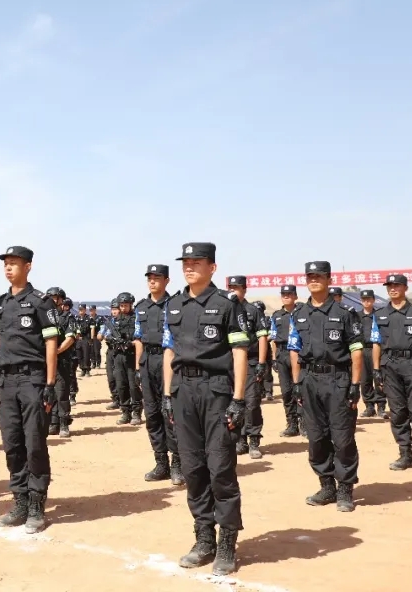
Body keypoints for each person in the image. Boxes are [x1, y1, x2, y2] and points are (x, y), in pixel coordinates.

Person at [162, 242, 248, 576]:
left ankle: (227, 542)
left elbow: (239, 352)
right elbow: (169, 351)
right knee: (193, 469)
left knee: (220, 468)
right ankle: (204, 539)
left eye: (197, 262)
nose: (189, 267)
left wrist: (238, 400)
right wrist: (167, 394)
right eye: (186, 262)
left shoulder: (226, 304)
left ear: (212, 268)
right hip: (182, 391)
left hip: (216, 392)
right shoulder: (174, 304)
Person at [0, 245, 60, 533]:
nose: (8, 268)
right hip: (7, 382)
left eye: (14, 263)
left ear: (28, 267)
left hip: (33, 380)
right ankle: (20, 501)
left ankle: (37, 504)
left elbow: (51, 343)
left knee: (34, 442)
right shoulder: (0, 304)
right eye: (5, 263)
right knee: (12, 443)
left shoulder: (41, 302)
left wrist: (50, 384)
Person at [285, 261, 364, 511]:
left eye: (319, 276)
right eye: (310, 276)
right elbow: (294, 350)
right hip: (309, 380)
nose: (314, 280)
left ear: (329, 280)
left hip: (338, 380)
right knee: (316, 437)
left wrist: (355, 384)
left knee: (342, 437)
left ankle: (345, 489)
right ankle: (327, 485)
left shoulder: (345, 313)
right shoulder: (298, 314)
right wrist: (297, 383)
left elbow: (356, 350)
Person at [373, 273, 412, 474]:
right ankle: (405, 454)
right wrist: (376, 369)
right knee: (398, 412)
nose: (393, 289)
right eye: (389, 286)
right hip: (389, 366)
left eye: (397, 285)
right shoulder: (380, 314)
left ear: (405, 288)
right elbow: (376, 344)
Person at [134, 264, 183, 484]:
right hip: (147, 362)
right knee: (152, 414)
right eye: (149, 278)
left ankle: (177, 464)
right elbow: (138, 339)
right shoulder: (141, 307)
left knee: (170, 413)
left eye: (157, 278)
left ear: (167, 281)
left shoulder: (175, 305)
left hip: (167, 361)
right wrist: (138, 368)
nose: (152, 281)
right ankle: (161, 462)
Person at [225, 277, 269, 459]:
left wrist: (261, 363)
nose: (234, 291)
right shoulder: (225, 308)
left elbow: (262, 337)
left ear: (244, 290)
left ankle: (254, 440)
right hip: (229, 363)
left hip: (250, 362)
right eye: (231, 288)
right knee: (233, 402)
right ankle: (240, 439)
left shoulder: (253, 311)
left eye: (237, 288)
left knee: (251, 403)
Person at [269, 285, 302, 437]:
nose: (286, 296)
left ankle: (304, 423)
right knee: (286, 391)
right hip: (282, 355)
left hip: (298, 354)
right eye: (284, 294)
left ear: (295, 296)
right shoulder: (276, 315)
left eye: (289, 294)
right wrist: (274, 358)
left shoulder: (301, 313)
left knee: (300, 389)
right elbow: (273, 339)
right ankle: (292, 424)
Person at [105, 293, 141, 425]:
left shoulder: (136, 319)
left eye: (126, 305)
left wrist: (130, 343)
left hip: (131, 355)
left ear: (131, 305)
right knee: (121, 385)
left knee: (133, 386)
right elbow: (108, 335)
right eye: (121, 306)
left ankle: (136, 412)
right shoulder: (115, 320)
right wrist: (112, 340)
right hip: (118, 355)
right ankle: (125, 412)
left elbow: (139, 337)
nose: (123, 308)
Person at [45, 287, 75, 436]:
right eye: (52, 297)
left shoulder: (67, 317)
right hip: (45, 361)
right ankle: (53, 422)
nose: (55, 300)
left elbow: (70, 338)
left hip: (61, 359)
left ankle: (64, 423)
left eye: (58, 298)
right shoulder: (43, 316)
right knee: (48, 393)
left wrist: (56, 351)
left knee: (62, 392)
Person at [358, 290, 387, 418]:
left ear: (373, 300)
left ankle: (381, 406)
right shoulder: (356, 316)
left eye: (369, 299)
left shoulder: (379, 315)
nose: (366, 301)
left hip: (377, 349)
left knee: (379, 378)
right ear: (361, 301)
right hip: (362, 350)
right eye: (364, 299)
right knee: (365, 380)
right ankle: (369, 407)